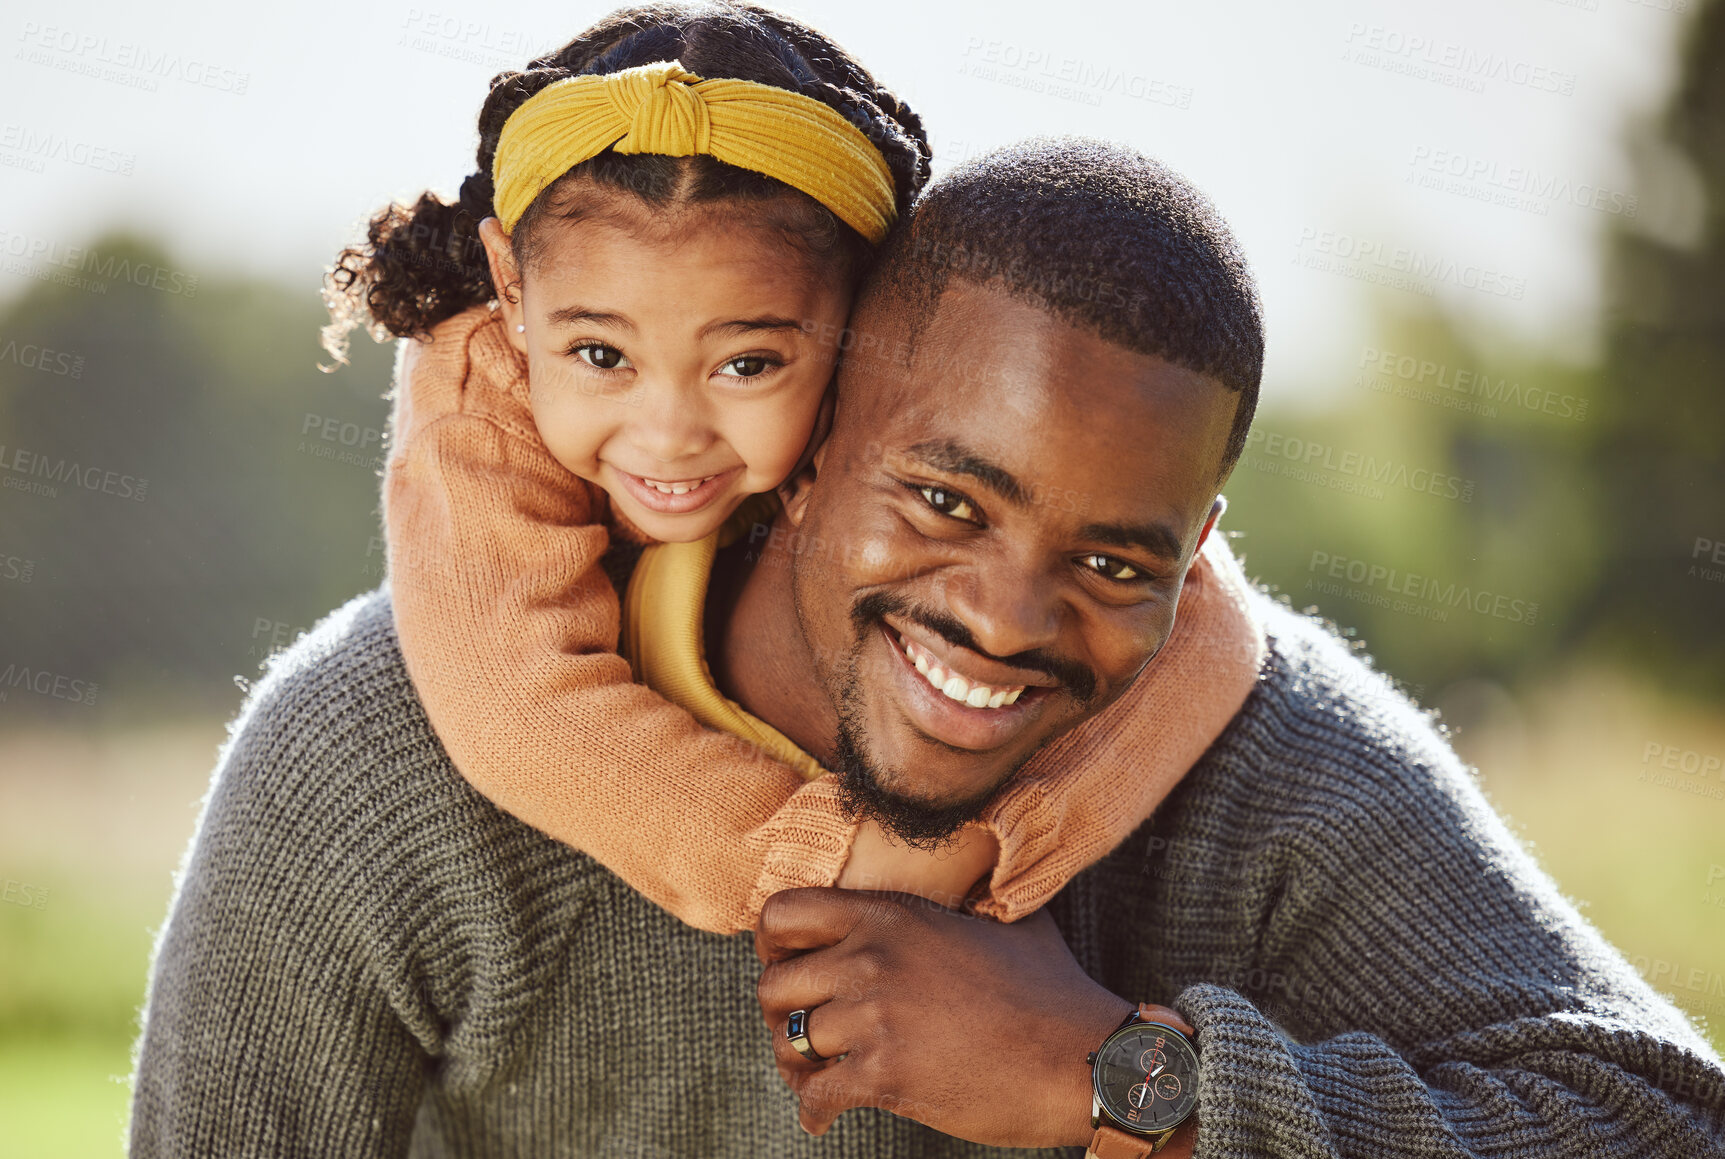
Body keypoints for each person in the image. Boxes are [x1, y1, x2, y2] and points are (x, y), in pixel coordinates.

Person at [127, 137, 1725, 1157]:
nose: (1008, 617)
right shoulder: (373, 762)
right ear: (813, 444)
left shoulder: (1264, 761)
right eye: (947, 496)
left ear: (1205, 546)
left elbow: (1660, 1126)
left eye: (1113, 556)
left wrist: (1120, 1079)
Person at [333, 0, 1261, 937]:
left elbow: (1210, 629)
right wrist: (832, 866)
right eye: (602, 357)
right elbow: (516, 707)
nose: (667, 435)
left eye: (746, 365)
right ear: (511, 289)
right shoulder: (477, 399)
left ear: (861, 318)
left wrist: (998, 845)